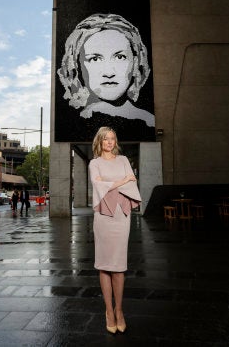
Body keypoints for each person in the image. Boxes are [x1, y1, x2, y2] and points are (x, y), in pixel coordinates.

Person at [57, 13, 155, 141]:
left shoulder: (148, 122)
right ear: (76, 65)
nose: (109, 72)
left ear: (136, 62)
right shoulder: (69, 125)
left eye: (120, 57)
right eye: (95, 59)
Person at [88, 126, 141, 334]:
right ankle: (108, 311)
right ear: (99, 142)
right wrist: (122, 181)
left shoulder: (124, 160)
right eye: (105, 139)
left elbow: (132, 184)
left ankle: (120, 311)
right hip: (103, 217)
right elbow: (98, 185)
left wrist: (111, 184)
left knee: (119, 266)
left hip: (121, 216)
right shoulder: (95, 163)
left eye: (112, 139)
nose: (110, 142)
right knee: (104, 265)